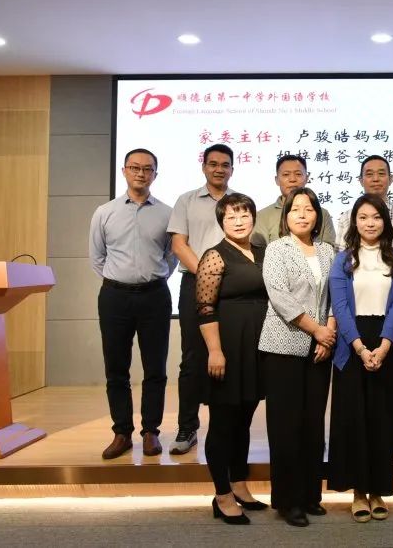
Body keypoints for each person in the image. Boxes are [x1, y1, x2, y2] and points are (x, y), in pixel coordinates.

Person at [327, 194, 393, 523]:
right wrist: (361, 348)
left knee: (382, 421)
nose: (370, 223)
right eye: (363, 217)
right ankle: (359, 492)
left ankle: (378, 491)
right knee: (354, 421)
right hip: (351, 346)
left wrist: (385, 346)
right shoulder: (342, 260)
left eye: (376, 217)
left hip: (386, 343)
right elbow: (340, 308)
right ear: (355, 222)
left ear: (385, 222)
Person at [89, 148, 176, 459]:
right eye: (135, 167)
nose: (141, 173)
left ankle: (151, 431)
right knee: (116, 368)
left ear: (155, 174)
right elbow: (97, 257)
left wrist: (150, 279)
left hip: (155, 296)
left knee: (155, 368)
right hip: (115, 297)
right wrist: (121, 280)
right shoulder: (104, 212)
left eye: (148, 169)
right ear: (124, 171)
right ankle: (122, 433)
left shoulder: (167, 213)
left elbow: (172, 256)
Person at [259, 187, 337, 527]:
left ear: (317, 215)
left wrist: (328, 333)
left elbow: (335, 295)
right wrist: (316, 330)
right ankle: (288, 500)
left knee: (312, 423)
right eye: (295, 209)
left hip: (321, 348)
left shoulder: (328, 250)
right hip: (284, 347)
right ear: (286, 216)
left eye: (308, 209)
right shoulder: (277, 249)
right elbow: (279, 297)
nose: (302, 214)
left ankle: (310, 495)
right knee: (285, 426)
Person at [336, 154, 393, 455]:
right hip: (355, 324)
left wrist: (386, 343)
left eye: (381, 173)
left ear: (391, 178)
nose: (375, 178)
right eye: (368, 173)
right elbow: (341, 290)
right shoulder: (345, 224)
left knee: (390, 395)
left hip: (389, 320)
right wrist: (359, 346)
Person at [195, 192, 269, 525]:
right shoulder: (215, 255)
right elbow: (204, 307)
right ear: (221, 222)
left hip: (257, 346)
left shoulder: (262, 252)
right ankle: (222, 494)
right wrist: (215, 351)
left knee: (244, 420)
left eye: (244, 215)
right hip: (226, 348)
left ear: (253, 217)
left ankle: (239, 484)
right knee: (223, 423)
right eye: (231, 217)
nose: (239, 222)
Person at [167, 143, 236, 456]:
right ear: (204, 166)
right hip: (194, 284)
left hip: (231, 287)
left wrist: (222, 277)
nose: (219, 169)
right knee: (193, 359)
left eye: (225, 164)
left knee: (228, 356)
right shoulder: (186, 201)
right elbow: (179, 245)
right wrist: (208, 274)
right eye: (213, 164)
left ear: (232, 169)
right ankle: (187, 427)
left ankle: (226, 427)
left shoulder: (238, 202)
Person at [253, 154, 336, 246]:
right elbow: (258, 251)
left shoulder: (322, 213)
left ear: (307, 178)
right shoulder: (262, 216)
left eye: (298, 174)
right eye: (286, 174)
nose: (292, 179)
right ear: (277, 180)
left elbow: (329, 249)